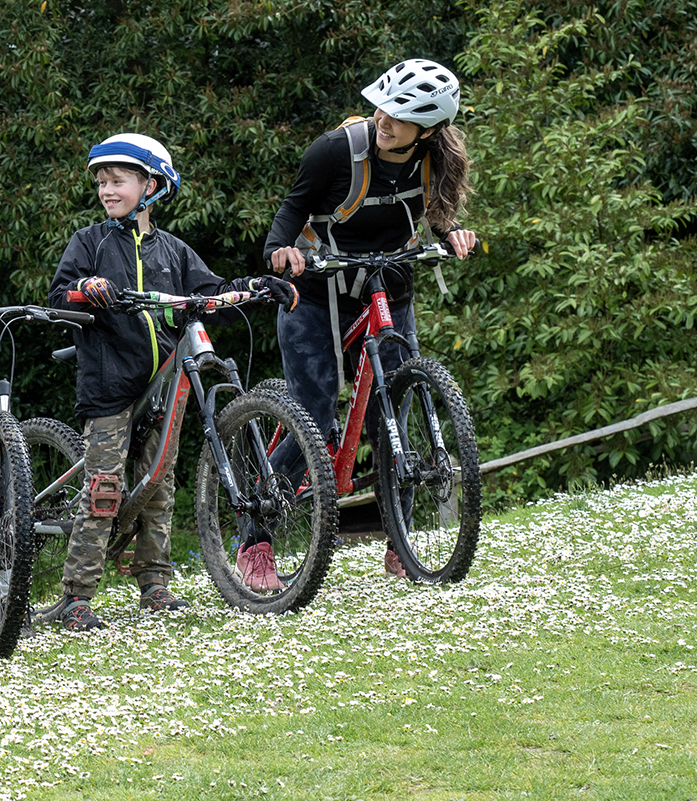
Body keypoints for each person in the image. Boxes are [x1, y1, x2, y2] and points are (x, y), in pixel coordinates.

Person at [46, 133, 297, 631]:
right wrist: (85, 289)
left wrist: (255, 285)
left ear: (152, 185)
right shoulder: (90, 243)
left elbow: (212, 294)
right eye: (102, 181)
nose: (107, 189)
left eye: (118, 180)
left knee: (160, 481)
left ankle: (154, 584)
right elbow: (59, 296)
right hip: (110, 382)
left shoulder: (174, 252)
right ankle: (75, 596)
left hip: (165, 382)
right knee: (104, 485)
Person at [247, 59, 478, 589]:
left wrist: (454, 234)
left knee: (393, 408)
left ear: (429, 130)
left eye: (399, 117)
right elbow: (292, 208)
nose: (384, 120)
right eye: (384, 107)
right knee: (316, 412)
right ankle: (254, 538)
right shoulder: (336, 150)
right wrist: (280, 251)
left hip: (386, 286)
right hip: (315, 292)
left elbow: (439, 215)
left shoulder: (437, 160)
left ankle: (399, 539)